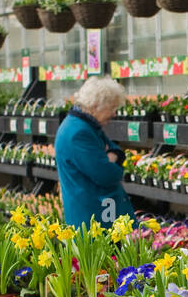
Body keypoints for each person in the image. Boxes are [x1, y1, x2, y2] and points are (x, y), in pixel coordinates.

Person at [54, 76, 134, 228]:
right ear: (97, 105)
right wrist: (111, 161)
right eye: (112, 107)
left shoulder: (86, 126)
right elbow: (106, 175)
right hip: (93, 219)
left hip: (97, 214)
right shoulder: (78, 133)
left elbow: (114, 150)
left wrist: (112, 156)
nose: (114, 114)